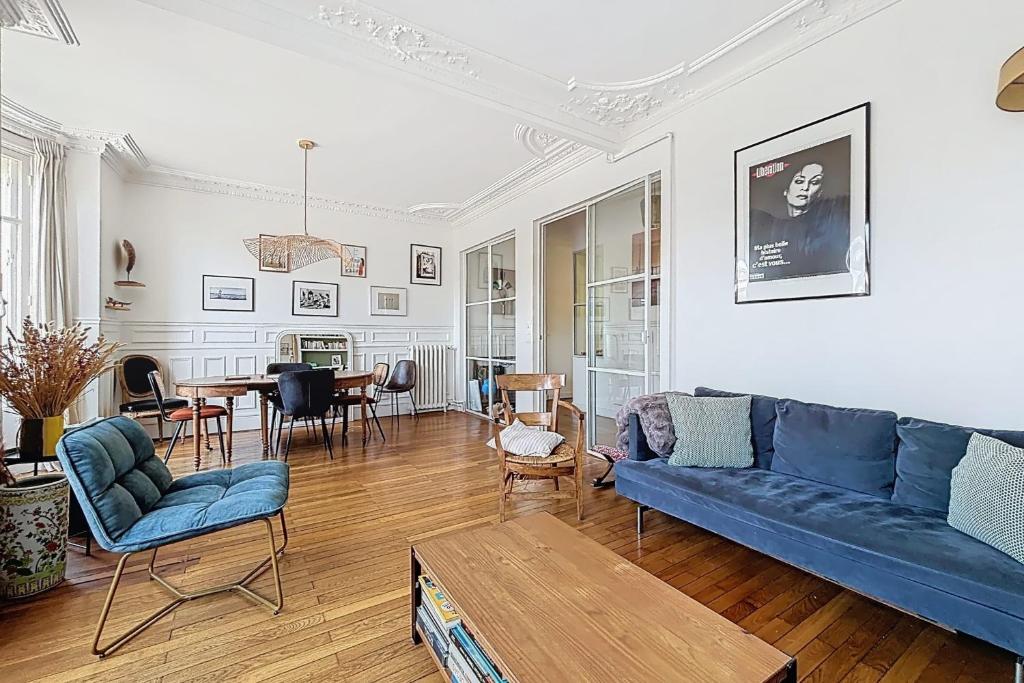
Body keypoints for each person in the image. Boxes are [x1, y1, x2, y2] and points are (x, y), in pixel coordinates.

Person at [748, 161, 850, 282]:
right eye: (799, 181)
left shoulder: (828, 225)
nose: (805, 187)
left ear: (820, 193)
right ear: (786, 190)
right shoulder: (763, 225)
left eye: (814, 182)